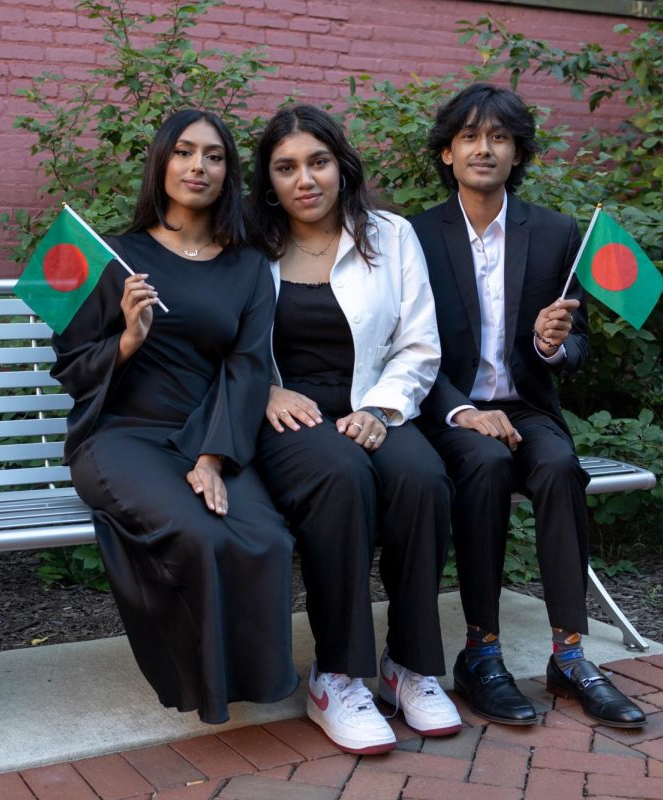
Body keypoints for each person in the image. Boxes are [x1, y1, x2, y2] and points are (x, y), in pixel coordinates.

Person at [51, 109, 298, 724]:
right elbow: (72, 367)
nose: (199, 166)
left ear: (229, 173)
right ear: (162, 163)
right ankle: (200, 686)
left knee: (267, 539)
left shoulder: (247, 265)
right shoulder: (112, 255)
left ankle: (246, 680)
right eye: (185, 152)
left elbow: (248, 369)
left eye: (214, 156)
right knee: (198, 534)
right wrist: (128, 339)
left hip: (205, 433)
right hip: (119, 436)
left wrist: (213, 457)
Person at [410, 83, 645, 728]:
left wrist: (550, 347)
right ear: (447, 153)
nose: (484, 148)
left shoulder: (556, 232)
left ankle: (569, 656)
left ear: (518, 154)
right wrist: (461, 410)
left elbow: (579, 345)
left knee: (559, 467)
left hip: (529, 407)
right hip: (449, 409)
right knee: (483, 467)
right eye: (470, 137)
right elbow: (401, 347)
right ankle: (480, 651)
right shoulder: (415, 236)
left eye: (500, 138)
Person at [246, 104, 461, 753]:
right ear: (269, 180)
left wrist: (381, 409)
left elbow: (419, 342)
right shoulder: (249, 244)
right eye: (286, 168)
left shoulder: (390, 235)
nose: (305, 179)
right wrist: (262, 391)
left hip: (373, 406)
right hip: (288, 415)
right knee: (339, 478)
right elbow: (215, 339)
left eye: (317, 162)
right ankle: (334, 675)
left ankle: (409, 664)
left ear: (342, 165)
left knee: (423, 479)